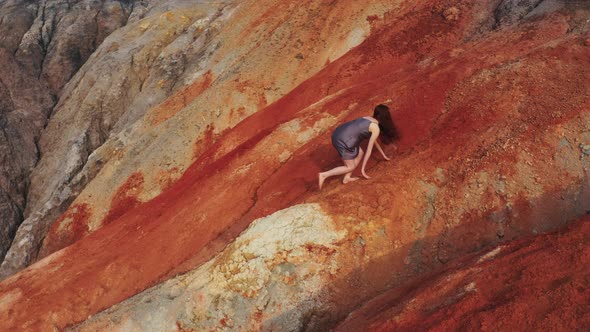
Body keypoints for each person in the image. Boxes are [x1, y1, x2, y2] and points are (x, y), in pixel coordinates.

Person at [318, 104, 399, 189]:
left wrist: (384, 155)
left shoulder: (367, 118)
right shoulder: (376, 128)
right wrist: (362, 170)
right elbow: (369, 149)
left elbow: (374, 142)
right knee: (350, 167)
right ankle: (324, 175)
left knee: (360, 153)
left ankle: (347, 178)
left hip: (339, 133)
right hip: (343, 140)